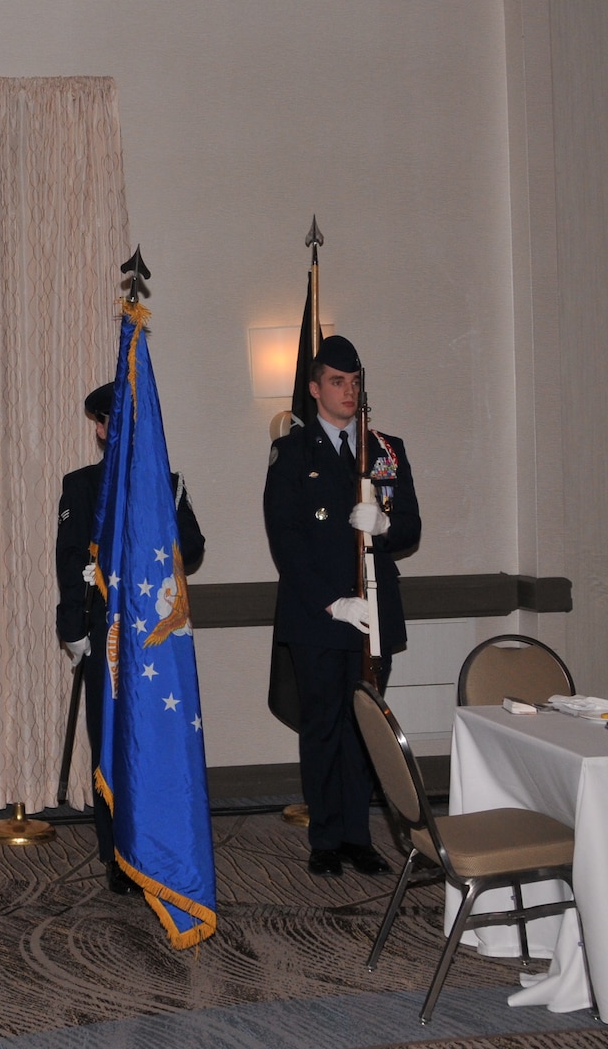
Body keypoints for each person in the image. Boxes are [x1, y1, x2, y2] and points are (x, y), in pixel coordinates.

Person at [261, 335, 420, 877]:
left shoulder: (385, 449)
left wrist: (386, 525)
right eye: (336, 382)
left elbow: (411, 527)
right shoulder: (293, 455)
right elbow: (287, 543)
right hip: (320, 617)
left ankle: (359, 836)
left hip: (373, 616)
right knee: (324, 727)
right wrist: (334, 603)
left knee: (364, 731)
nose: (348, 391)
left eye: (354, 383)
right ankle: (326, 839)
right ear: (314, 388)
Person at [54, 383, 205, 894]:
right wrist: (72, 627)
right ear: (99, 429)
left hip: (157, 641)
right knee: (112, 741)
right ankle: (118, 853)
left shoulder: (168, 482)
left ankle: (160, 843)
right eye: (107, 421)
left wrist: (157, 508)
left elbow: (195, 546)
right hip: (109, 637)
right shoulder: (81, 486)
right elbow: (69, 559)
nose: (114, 430)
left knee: (159, 740)